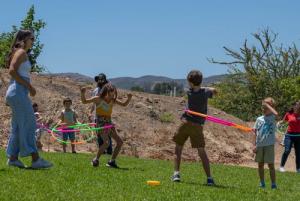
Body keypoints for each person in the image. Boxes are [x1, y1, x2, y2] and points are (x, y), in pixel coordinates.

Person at [5, 30, 52, 169]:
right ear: (24, 38)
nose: (33, 41)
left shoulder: (19, 52)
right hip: (18, 91)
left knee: (19, 127)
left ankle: (13, 158)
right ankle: (35, 159)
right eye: (32, 38)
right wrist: (29, 86)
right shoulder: (21, 52)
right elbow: (12, 71)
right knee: (30, 124)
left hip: (17, 92)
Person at [172, 70, 217, 185]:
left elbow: (193, 87)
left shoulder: (189, 91)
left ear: (190, 83)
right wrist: (205, 87)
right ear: (200, 82)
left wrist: (200, 86)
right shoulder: (206, 92)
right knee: (201, 151)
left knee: (178, 148)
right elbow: (215, 91)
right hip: (197, 126)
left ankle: (176, 174)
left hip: (186, 123)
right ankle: (209, 178)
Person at [80, 83, 132, 168]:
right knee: (106, 142)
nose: (112, 96)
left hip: (109, 123)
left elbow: (124, 104)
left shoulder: (113, 100)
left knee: (120, 142)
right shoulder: (98, 99)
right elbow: (84, 101)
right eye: (110, 94)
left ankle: (112, 161)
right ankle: (95, 159)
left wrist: (129, 98)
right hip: (100, 123)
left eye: (113, 94)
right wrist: (82, 93)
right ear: (105, 92)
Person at [253, 98, 278, 189]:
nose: (264, 108)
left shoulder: (272, 117)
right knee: (260, 164)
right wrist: (255, 145)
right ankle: (262, 183)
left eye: (267, 106)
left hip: (269, 145)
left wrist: (267, 105)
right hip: (260, 145)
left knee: (271, 165)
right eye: (263, 106)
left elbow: (276, 113)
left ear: (272, 107)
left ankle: (273, 184)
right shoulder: (259, 119)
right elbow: (255, 132)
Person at [89, 73, 113, 155]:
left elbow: (110, 100)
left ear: (105, 80)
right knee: (99, 134)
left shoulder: (107, 89)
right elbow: (93, 103)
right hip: (97, 116)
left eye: (102, 79)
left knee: (107, 133)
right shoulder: (95, 90)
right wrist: (90, 112)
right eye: (99, 79)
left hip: (106, 116)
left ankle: (109, 151)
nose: (100, 80)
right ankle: (101, 151)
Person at [279, 101, 300, 173]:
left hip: (298, 136)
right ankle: (281, 167)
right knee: (287, 150)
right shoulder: (288, 114)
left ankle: (298, 169)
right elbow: (283, 121)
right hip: (289, 135)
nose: (298, 106)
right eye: (297, 105)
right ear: (294, 106)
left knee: (298, 153)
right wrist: (278, 124)